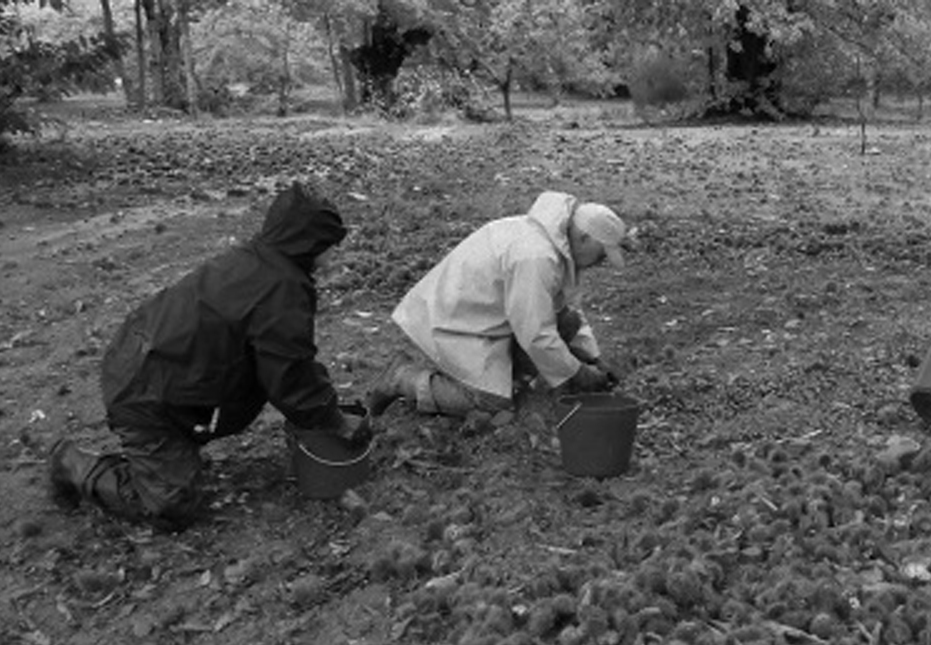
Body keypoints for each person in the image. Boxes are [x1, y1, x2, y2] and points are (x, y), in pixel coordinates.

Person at [48, 183, 370, 531]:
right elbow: (291, 375)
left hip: (151, 367)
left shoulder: (258, 261)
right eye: (331, 246)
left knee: (179, 453)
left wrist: (318, 410)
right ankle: (69, 463)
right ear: (310, 243)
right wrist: (333, 420)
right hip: (147, 392)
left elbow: (289, 363)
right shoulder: (281, 291)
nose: (333, 256)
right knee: (170, 507)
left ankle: (171, 451)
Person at [367, 191, 629, 421]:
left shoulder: (551, 242)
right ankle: (402, 378)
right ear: (583, 238)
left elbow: (565, 309)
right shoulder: (536, 257)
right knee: (491, 404)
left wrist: (593, 357)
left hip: (483, 312)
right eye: (602, 254)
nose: (600, 262)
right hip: (455, 322)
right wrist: (578, 372)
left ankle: (510, 376)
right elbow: (535, 332)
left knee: (567, 321)